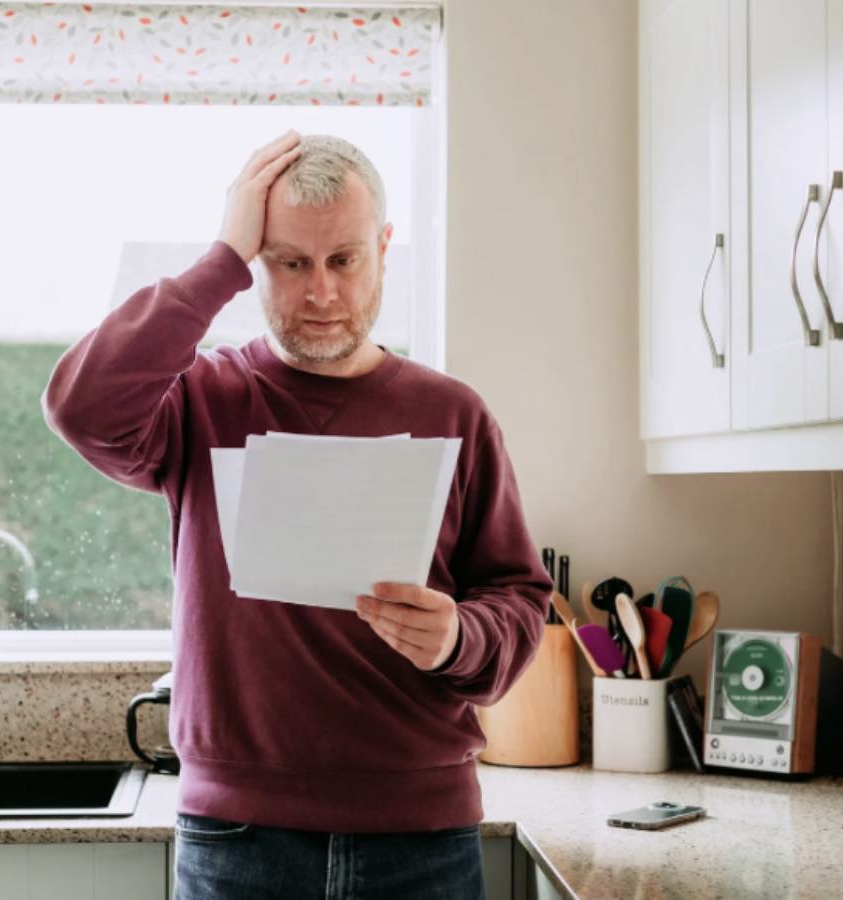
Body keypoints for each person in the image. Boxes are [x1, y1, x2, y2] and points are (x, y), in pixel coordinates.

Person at [42, 130, 550, 900]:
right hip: (237, 839)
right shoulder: (202, 402)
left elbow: (518, 598)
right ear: (256, 263)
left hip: (422, 838)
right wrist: (219, 259)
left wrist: (457, 637)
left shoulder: (455, 415)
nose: (320, 293)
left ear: (383, 248)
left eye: (344, 260)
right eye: (289, 262)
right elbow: (80, 407)